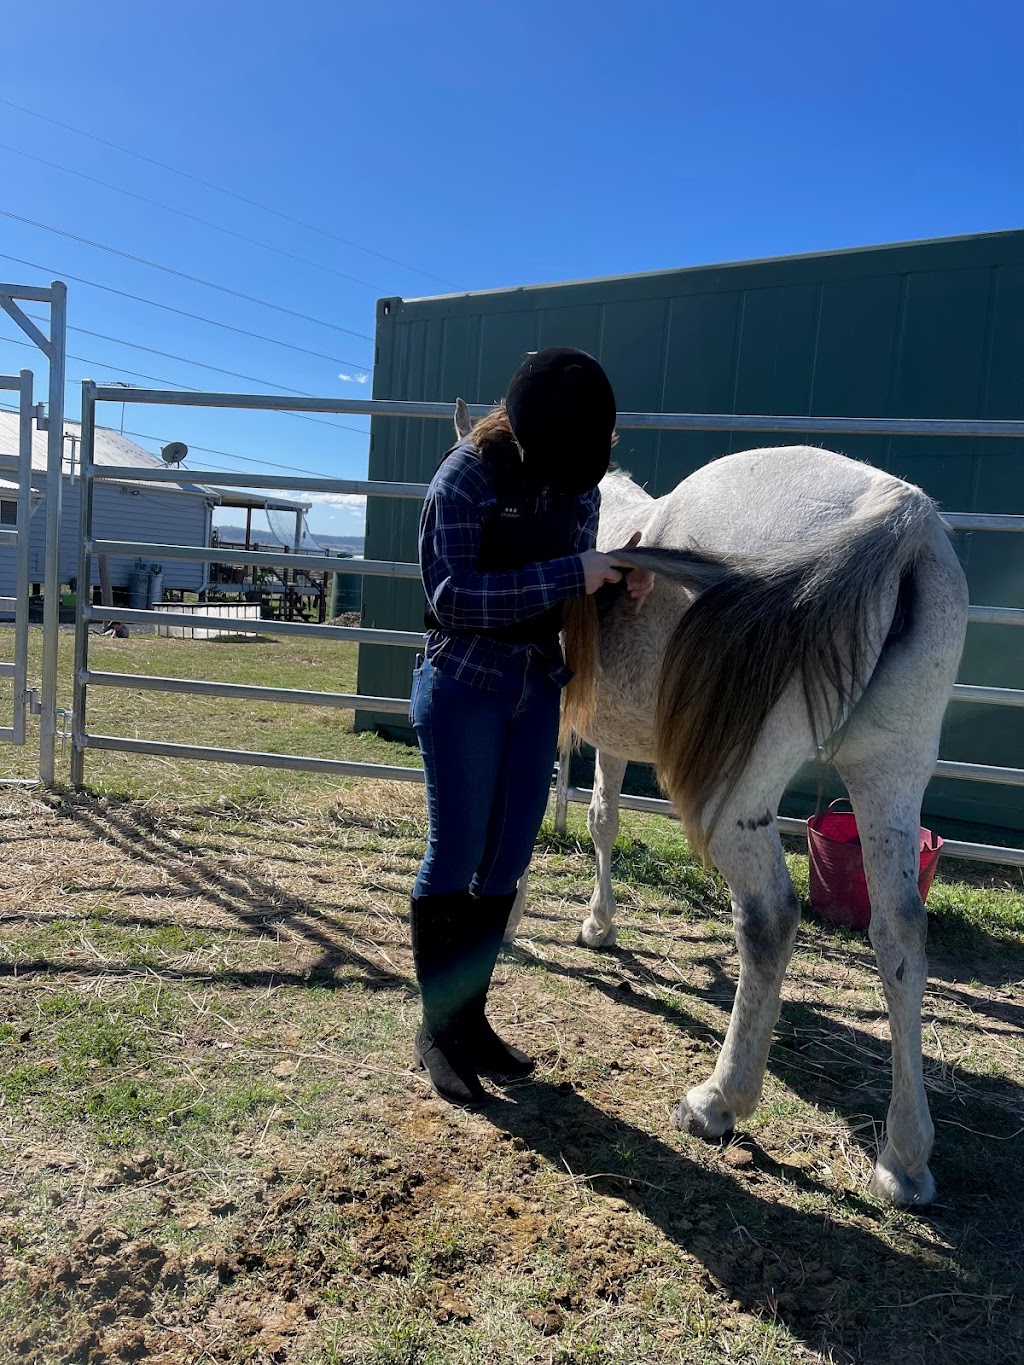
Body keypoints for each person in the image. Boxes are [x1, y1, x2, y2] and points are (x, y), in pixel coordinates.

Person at [408, 347, 653, 1107]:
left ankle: (472, 1019)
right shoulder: (467, 476)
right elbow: (453, 597)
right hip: (464, 683)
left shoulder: (573, 485)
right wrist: (570, 573)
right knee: (455, 854)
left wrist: (618, 583)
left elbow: (567, 599)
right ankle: (438, 1029)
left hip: (535, 686)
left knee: (509, 859)